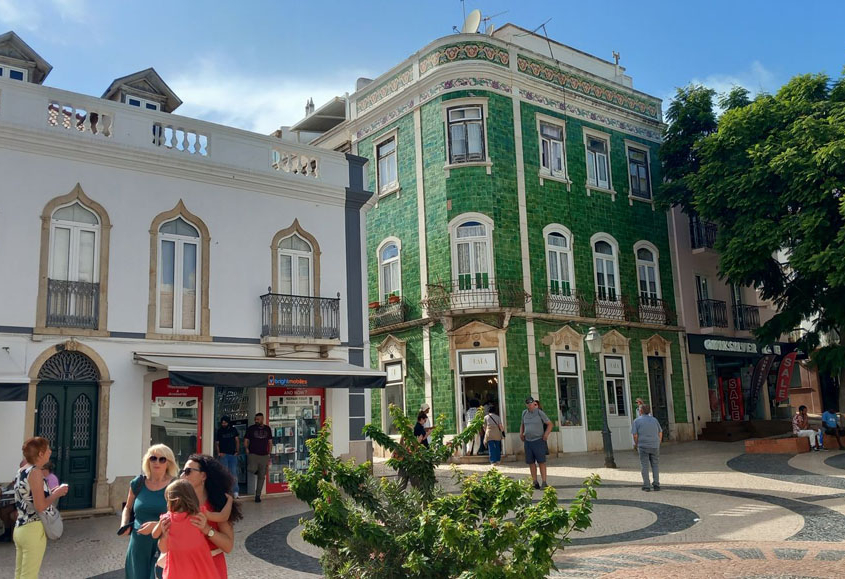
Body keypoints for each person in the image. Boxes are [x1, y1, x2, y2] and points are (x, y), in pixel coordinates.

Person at [13, 437, 69, 579]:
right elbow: (40, 505)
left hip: (20, 527)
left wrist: (52, 491)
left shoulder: (22, 470)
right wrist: (57, 493)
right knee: (29, 576)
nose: (50, 451)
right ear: (40, 454)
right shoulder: (36, 472)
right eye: (48, 449)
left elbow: (30, 497)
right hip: (33, 529)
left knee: (20, 575)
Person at [179, 454, 242, 578]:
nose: (182, 475)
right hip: (185, 567)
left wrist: (207, 529)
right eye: (182, 471)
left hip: (212, 567)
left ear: (203, 476)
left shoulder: (218, 503)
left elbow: (228, 546)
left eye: (188, 471)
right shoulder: (178, 502)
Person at [120, 444, 178, 579]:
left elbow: (180, 516)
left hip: (163, 544)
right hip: (138, 545)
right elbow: (128, 508)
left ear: (168, 463)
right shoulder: (138, 483)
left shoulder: (175, 486)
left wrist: (156, 525)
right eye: (153, 458)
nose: (157, 462)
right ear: (148, 460)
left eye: (162, 459)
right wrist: (124, 524)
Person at [152, 480, 217, 578]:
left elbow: (154, 535)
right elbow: (220, 516)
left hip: (178, 570)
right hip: (201, 567)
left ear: (175, 501)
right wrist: (229, 504)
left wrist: (161, 528)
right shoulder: (199, 514)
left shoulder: (167, 518)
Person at [520, 396, 552, 489]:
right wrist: (521, 433)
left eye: (531, 403)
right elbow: (522, 424)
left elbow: (549, 424)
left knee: (541, 461)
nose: (530, 405)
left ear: (534, 403)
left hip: (538, 440)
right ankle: (534, 481)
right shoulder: (524, 413)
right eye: (528, 404)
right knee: (531, 462)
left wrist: (546, 434)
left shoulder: (539, 413)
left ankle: (544, 482)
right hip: (528, 441)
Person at [632, 403, 663, 491]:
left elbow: (635, 435)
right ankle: (656, 484)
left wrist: (637, 444)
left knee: (644, 465)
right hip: (654, 445)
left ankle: (646, 485)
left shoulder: (636, 421)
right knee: (655, 465)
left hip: (643, 446)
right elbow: (660, 432)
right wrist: (658, 442)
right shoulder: (654, 420)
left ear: (640, 411)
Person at [244, 412, 272, 502]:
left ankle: (258, 495)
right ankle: (257, 471)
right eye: (255, 419)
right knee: (251, 468)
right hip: (253, 453)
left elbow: (270, 442)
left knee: (262, 477)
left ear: (262, 419)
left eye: (258, 419)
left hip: (264, 455)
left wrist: (269, 453)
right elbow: (246, 440)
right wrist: (246, 448)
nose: (256, 421)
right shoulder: (251, 428)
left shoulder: (267, 429)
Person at [215, 416, 240, 498]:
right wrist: (219, 453)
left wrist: (237, 451)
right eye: (222, 423)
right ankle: (225, 491)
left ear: (228, 422)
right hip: (223, 455)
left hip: (233, 455)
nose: (223, 424)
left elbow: (237, 441)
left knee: (233, 473)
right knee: (224, 474)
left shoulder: (233, 430)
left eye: (225, 422)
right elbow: (217, 443)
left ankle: (235, 491)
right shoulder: (219, 431)